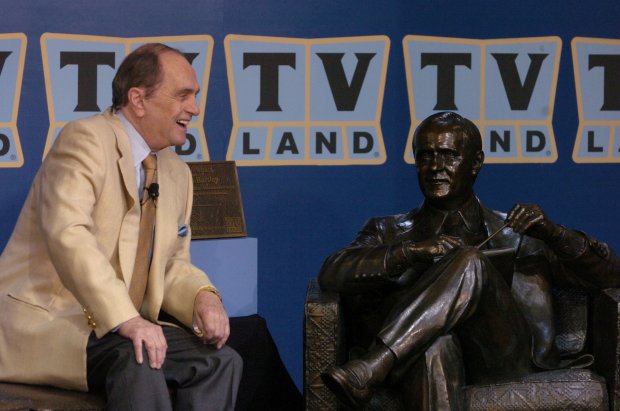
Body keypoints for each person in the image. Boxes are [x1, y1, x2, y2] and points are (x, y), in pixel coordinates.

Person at [318, 111, 620, 410]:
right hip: (423, 354)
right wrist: (410, 252)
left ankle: (375, 363)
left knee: (470, 260)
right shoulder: (388, 230)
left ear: (475, 163)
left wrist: (555, 234)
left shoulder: (520, 233)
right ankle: (390, 356)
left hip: (501, 356)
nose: (435, 167)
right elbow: (332, 272)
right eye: (425, 156)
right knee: (434, 346)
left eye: (448, 155)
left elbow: (609, 276)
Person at [0, 43, 242, 410]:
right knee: (139, 356)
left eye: (195, 96)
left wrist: (202, 296)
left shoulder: (176, 171)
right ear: (138, 99)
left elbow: (172, 262)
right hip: (54, 320)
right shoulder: (84, 140)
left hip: (117, 327)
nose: (194, 108)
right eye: (183, 95)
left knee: (219, 362)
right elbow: (68, 235)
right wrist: (127, 319)